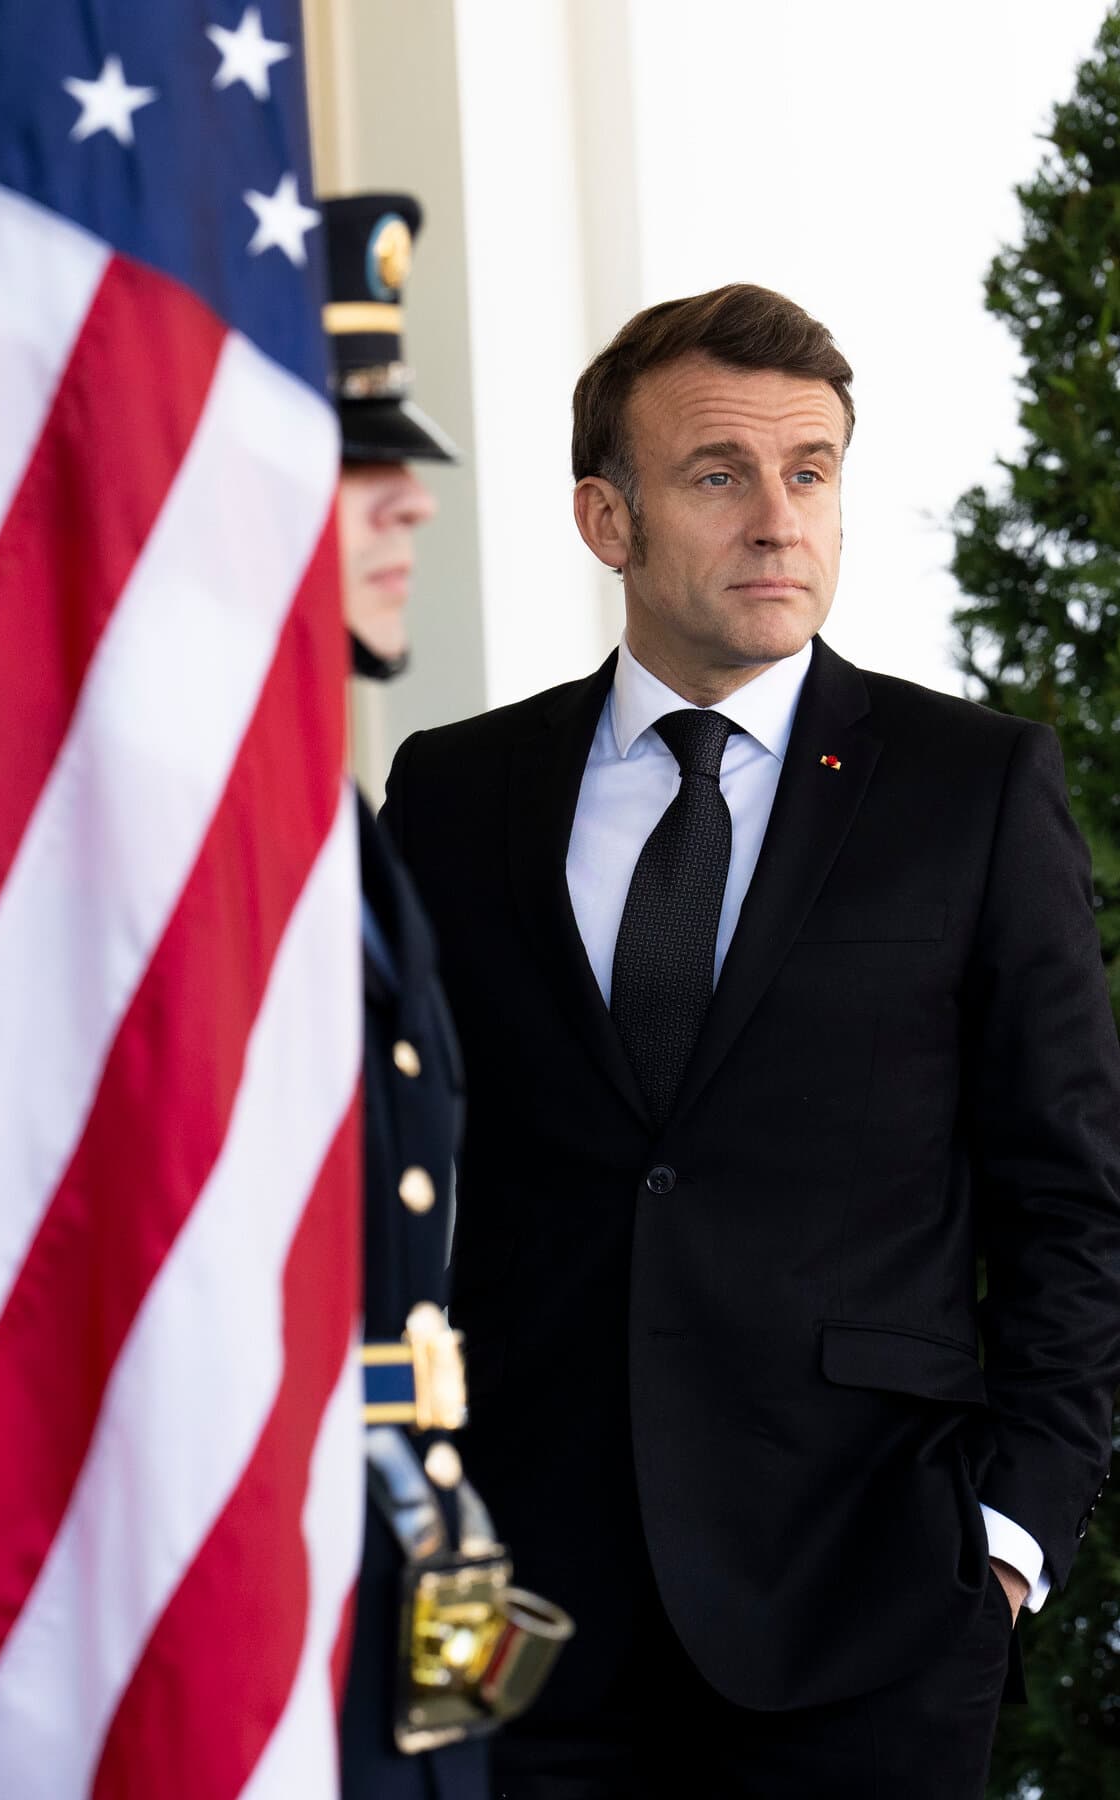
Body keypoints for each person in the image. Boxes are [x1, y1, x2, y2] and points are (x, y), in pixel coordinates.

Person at [381, 283, 1120, 1797]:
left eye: (813, 471)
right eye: (720, 474)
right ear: (608, 518)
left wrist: (1010, 1539)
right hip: (509, 1613)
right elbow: (372, 1166)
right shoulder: (455, 796)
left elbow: (1072, 1200)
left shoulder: (970, 790)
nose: (780, 519)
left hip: (872, 1604)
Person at [326, 193, 568, 1800]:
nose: (407, 500)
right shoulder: (143, 852)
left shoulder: (331, 811)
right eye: (347, 466)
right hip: (245, 1595)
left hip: (397, 1549)